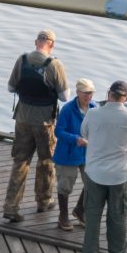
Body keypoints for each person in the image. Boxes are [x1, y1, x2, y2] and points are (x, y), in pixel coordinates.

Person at [75, 80, 127, 253]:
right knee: (118, 216)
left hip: (95, 173)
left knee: (93, 216)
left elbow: (83, 132)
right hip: (119, 175)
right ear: (126, 97)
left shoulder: (93, 114)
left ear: (108, 94)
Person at [1, 29, 67, 221]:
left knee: (20, 161)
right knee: (46, 161)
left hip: (22, 119)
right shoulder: (55, 65)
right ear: (52, 44)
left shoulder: (21, 60)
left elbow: (11, 87)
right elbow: (65, 96)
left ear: (35, 41)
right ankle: (44, 201)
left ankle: (11, 206)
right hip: (44, 122)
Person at [51, 77, 94, 229]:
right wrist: (75, 139)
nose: (89, 96)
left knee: (92, 182)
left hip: (86, 153)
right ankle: (63, 216)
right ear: (78, 92)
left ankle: (80, 210)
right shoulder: (68, 109)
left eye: (91, 93)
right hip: (67, 154)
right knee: (65, 186)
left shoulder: (94, 108)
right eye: (85, 93)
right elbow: (58, 131)